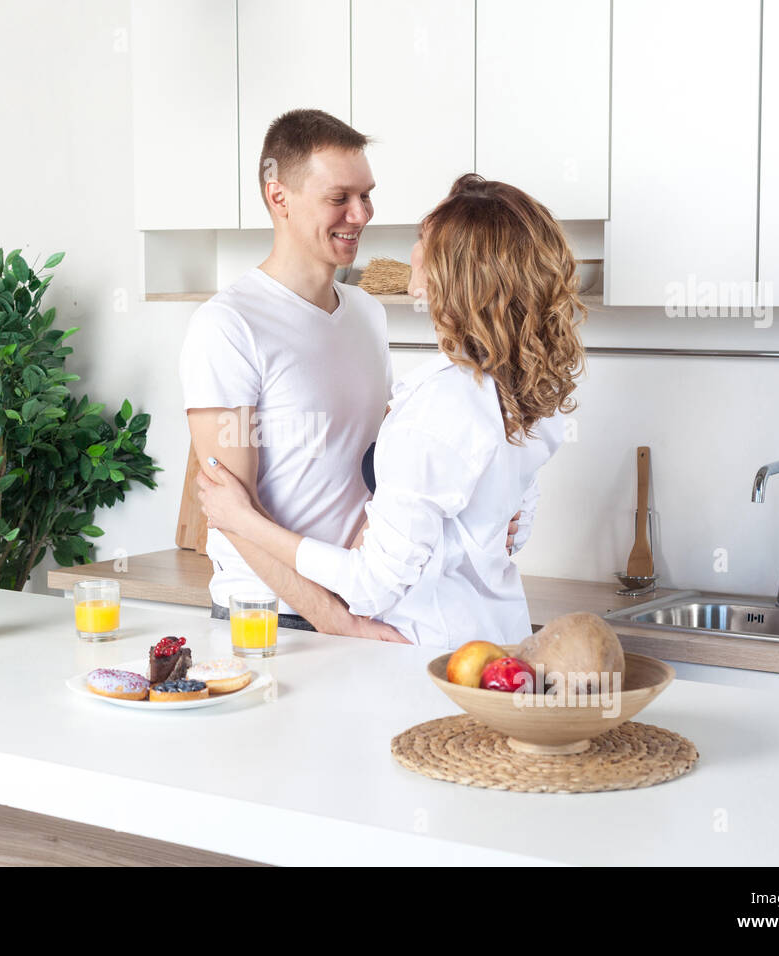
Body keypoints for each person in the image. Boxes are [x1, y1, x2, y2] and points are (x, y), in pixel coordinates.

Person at [196, 175, 586, 647]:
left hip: (427, 656)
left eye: (424, 240)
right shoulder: (524, 385)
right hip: (497, 638)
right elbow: (512, 527)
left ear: (453, 275)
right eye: (340, 198)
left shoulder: (439, 404)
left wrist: (243, 520)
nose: (413, 251)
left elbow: (369, 584)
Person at [179, 108, 406, 641]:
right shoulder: (229, 325)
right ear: (278, 197)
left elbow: (378, 465)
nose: (361, 214)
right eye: (339, 198)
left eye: (366, 195)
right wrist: (333, 620)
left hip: (365, 602)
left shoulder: (368, 313)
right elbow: (232, 511)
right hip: (273, 620)